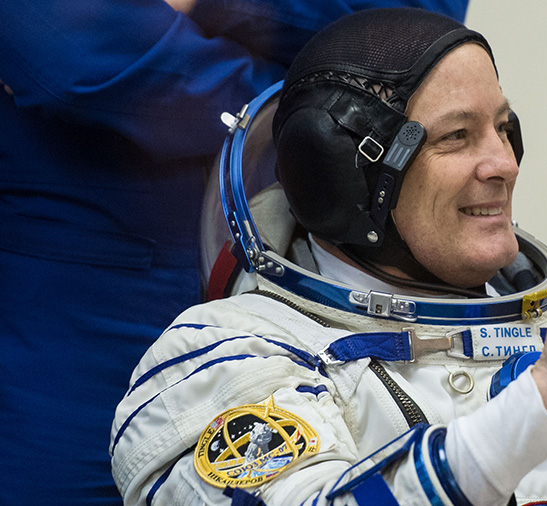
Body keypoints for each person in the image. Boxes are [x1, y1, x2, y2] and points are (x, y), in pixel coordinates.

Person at [110, 8, 547, 505]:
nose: (505, 164)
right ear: (344, 178)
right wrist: (541, 402)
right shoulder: (218, 362)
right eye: (457, 136)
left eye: (504, 129)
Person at [0, 1, 465, 503]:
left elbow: (407, 37)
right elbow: (76, 45)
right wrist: (298, 114)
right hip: (83, 322)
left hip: (312, 293)